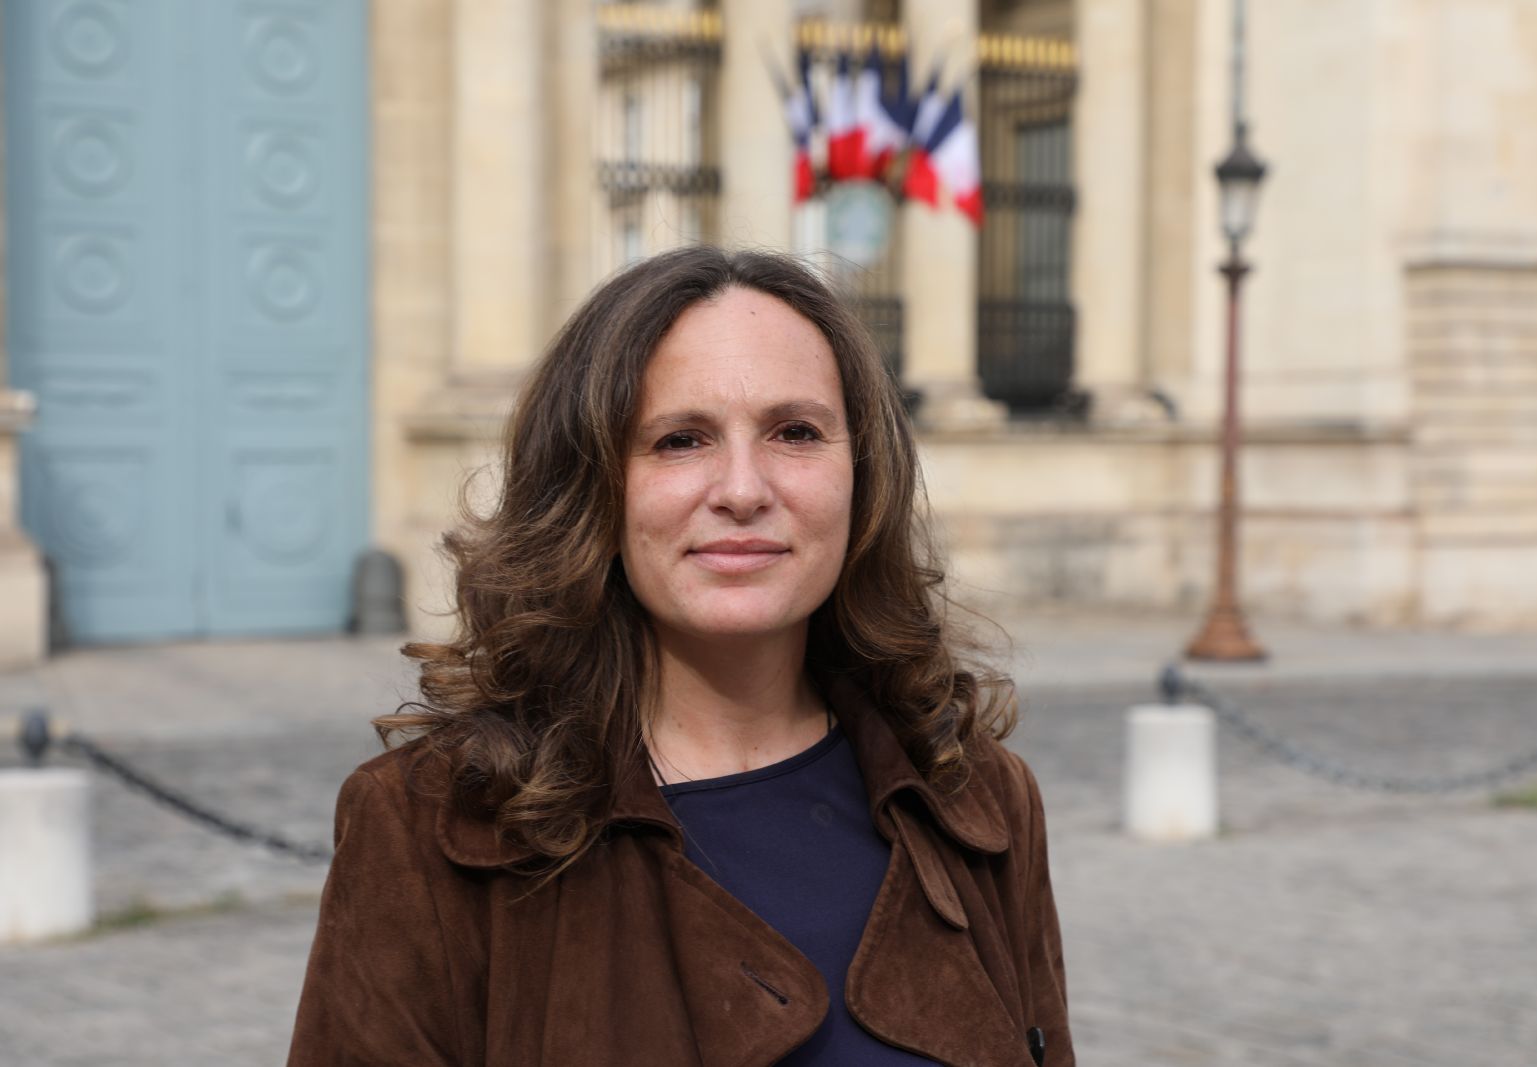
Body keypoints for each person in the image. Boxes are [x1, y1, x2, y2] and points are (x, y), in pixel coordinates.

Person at [288, 245, 1073, 1066]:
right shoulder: (431, 826)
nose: (743, 489)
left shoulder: (977, 799)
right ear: (592, 488)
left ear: (862, 476)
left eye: (796, 432)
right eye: (680, 440)